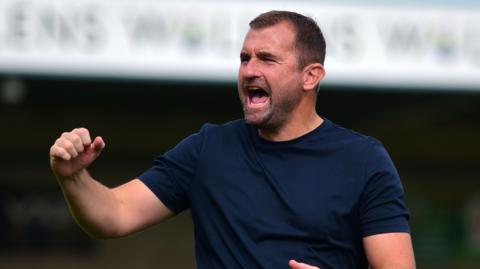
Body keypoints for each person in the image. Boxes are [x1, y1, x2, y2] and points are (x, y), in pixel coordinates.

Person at [49, 10, 415, 269]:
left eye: (267, 59)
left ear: (311, 76)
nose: (249, 70)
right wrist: (74, 178)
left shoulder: (363, 159)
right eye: (244, 58)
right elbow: (114, 214)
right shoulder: (208, 149)